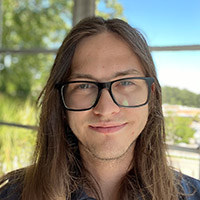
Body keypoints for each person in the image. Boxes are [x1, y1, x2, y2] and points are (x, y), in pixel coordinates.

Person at [0, 16, 200, 200]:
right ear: (61, 102)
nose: (105, 109)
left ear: (151, 95)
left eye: (126, 82)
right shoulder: (13, 194)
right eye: (84, 85)